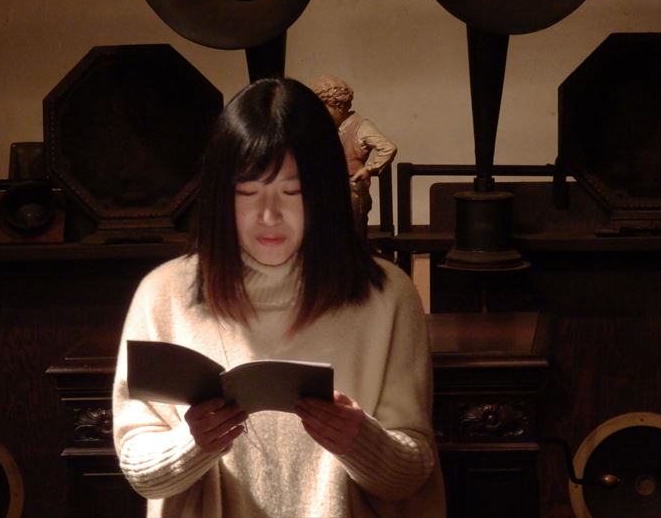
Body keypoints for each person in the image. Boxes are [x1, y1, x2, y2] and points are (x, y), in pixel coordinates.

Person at [112, 77, 445, 518]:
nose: (268, 215)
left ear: (326, 193)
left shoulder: (385, 295)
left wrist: (360, 440)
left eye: (292, 192)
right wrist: (193, 443)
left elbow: (412, 475)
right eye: (248, 192)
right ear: (220, 196)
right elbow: (139, 470)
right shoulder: (165, 294)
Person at [310, 74, 397, 238]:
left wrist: (369, 169)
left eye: (324, 109)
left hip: (352, 187)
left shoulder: (360, 126)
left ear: (338, 106)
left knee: (352, 226)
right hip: (329, 185)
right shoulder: (326, 128)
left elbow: (388, 148)